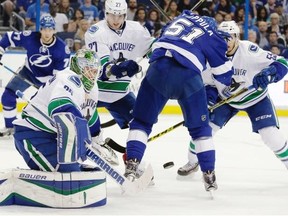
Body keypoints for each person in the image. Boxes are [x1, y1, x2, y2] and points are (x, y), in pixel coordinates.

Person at [123, 11, 235, 192]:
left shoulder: (181, 18)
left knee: (141, 123)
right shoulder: (213, 35)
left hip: (157, 70)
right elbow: (223, 74)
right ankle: (209, 175)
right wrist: (224, 89)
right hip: (188, 77)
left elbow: (162, 36)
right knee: (201, 130)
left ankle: (132, 165)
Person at [177, 20, 288, 177]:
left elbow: (282, 63)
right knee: (204, 128)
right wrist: (208, 101)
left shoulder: (249, 50)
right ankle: (193, 161)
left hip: (255, 98)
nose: (226, 42)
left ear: (237, 37)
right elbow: (209, 84)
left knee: (270, 135)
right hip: (226, 100)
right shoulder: (211, 56)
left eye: (230, 37)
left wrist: (269, 73)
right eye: (221, 38)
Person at [13, 49, 118, 173]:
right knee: (67, 174)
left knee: (80, 173)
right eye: (88, 70)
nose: (92, 75)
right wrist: (81, 131)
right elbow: (59, 107)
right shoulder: (67, 78)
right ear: (77, 67)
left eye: (95, 71)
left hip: (53, 137)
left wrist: (96, 139)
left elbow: (90, 113)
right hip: (31, 135)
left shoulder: (92, 87)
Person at [85, 0, 154, 130]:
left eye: (120, 16)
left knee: (142, 124)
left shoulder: (136, 30)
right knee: (87, 129)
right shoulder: (96, 32)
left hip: (120, 93)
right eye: (112, 15)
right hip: (93, 93)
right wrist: (121, 69)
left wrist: (166, 40)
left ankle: (132, 151)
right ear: (106, 13)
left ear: (125, 15)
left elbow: (153, 50)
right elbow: (102, 71)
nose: (116, 20)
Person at [0, 15, 70, 137]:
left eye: (50, 29)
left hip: (49, 80)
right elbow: (8, 37)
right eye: (44, 29)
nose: (47, 33)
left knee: (52, 105)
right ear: (40, 29)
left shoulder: (62, 50)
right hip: (28, 73)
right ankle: (10, 126)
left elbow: (59, 77)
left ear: (54, 30)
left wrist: (46, 90)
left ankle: (56, 128)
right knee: (7, 97)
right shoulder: (30, 37)